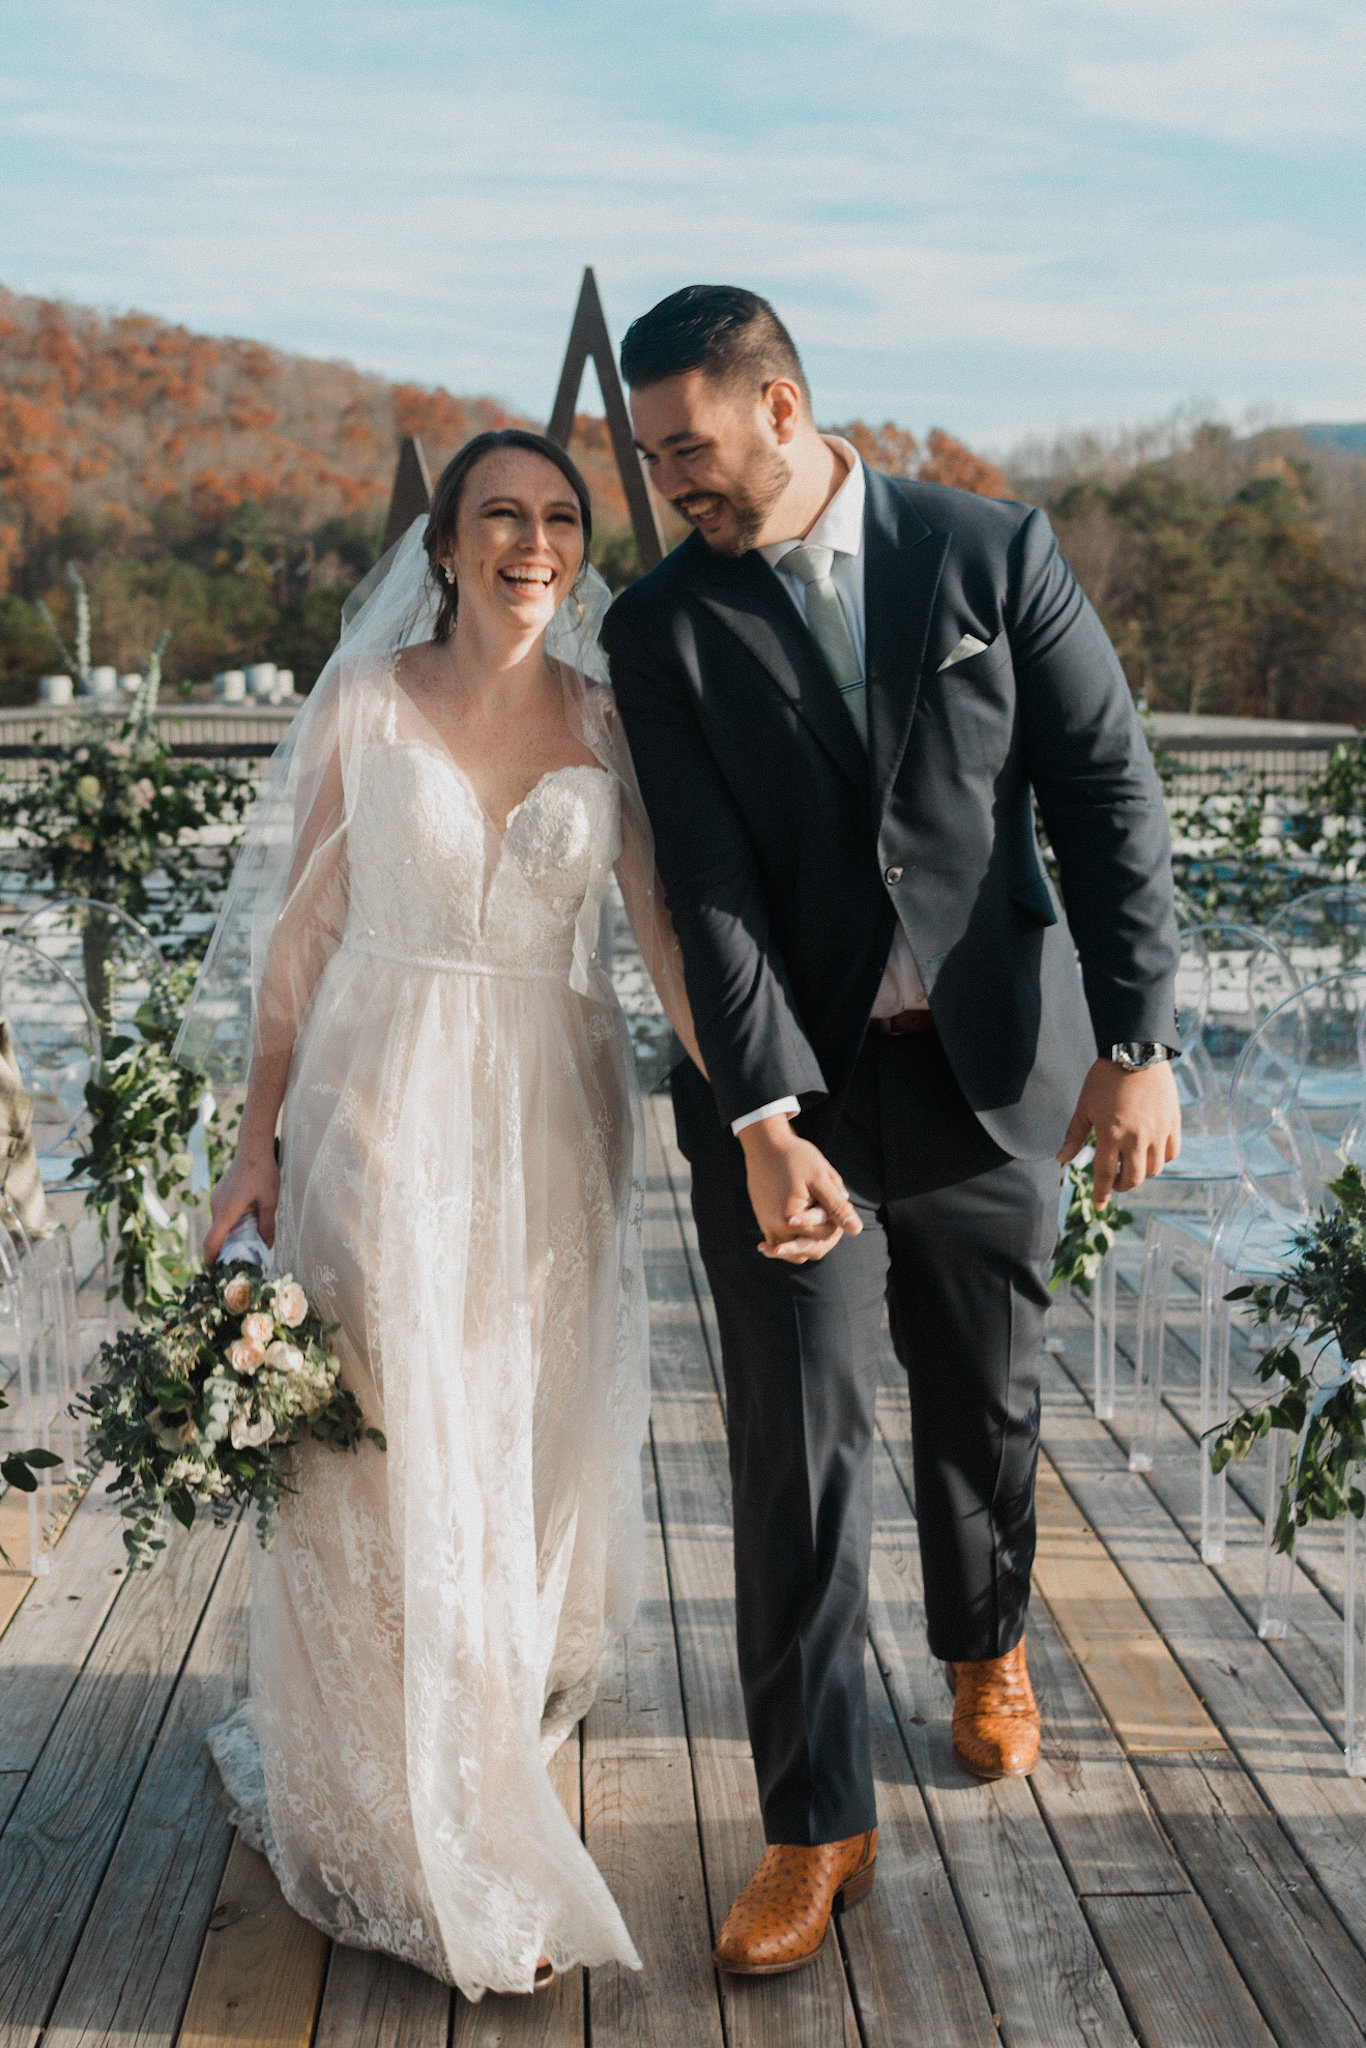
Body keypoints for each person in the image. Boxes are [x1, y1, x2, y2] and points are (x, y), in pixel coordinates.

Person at [602, 286, 1181, 1978]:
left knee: (983, 1389)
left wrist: (1137, 1042)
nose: (667, 486)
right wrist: (758, 1110)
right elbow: (703, 883)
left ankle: (984, 1646)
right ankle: (812, 1824)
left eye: (685, 448)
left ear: (778, 409)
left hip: (998, 1063)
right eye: (646, 458)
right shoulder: (663, 627)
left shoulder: (989, 552)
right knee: (794, 1452)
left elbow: (1106, 795)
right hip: (798, 1097)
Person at [178, 429, 702, 2000]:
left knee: (516, 1435)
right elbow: (300, 933)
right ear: (449, 541)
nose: (530, 544)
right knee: (390, 1430)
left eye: (556, 519)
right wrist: (253, 1142)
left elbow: (665, 944)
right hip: (378, 1098)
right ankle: (409, 1822)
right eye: (500, 517)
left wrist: (762, 1114)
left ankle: (483, 1730)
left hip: (554, 1109)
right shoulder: (364, 699)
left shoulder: (609, 725)